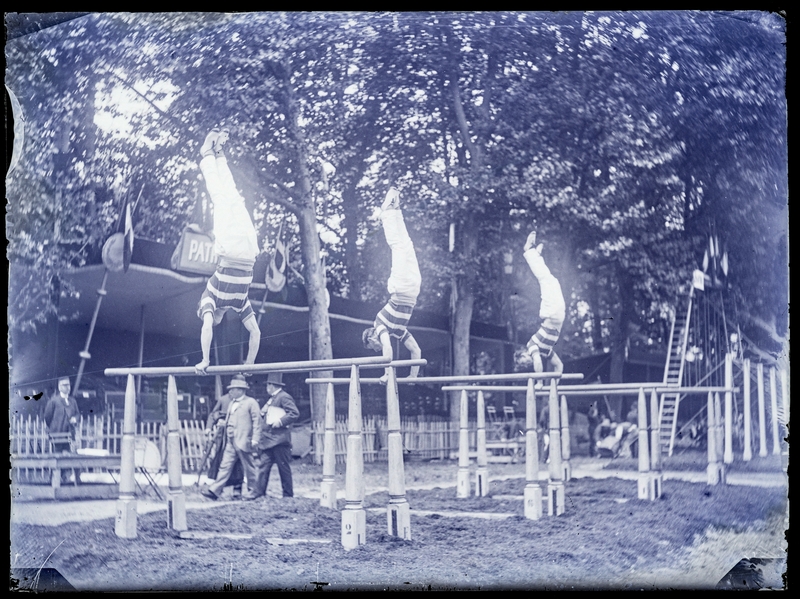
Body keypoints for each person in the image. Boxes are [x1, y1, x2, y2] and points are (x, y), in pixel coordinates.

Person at [195, 127, 261, 374]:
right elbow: (255, 332)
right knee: (234, 197)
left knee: (221, 199)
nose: (210, 318)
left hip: (230, 251)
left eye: (205, 315)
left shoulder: (209, 297)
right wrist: (249, 365)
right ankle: (219, 154)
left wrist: (205, 360)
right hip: (249, 251)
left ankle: (206, 155)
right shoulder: (240, 303)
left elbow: (207, 327)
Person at [361, 188, 422, 378]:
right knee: (406, 245)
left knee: (398, 247)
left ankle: (386, 212)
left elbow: (387, 351)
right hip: (413, 288)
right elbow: (416, 351)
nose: (375, 350)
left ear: (371, 337)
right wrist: (412, 376)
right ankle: (396, 211)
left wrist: (388, 374)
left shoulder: (379, 324)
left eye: (372, 347)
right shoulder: (399, 331)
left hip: (402, 287)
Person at [201, 375, 261, 500]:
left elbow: (257, 422)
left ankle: (254, 491)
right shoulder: (232, 403)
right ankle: (214, 491)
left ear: (240, 390)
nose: (230, 391)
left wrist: (255, 438)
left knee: (249, 467)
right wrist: (225, 423)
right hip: (230, 441)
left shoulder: (251, 403)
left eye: (233, 389)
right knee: (225, 466)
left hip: (244, 440)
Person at [517, 231, 566, 377]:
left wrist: (539, 382)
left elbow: (537, 360)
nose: (527, 360)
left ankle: (529, 251)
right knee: (551, 280)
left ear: (524, 353)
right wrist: (554, 385)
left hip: (551, 314)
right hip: (557, 314)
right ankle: (535, 255)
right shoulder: (546, 351)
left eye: (524, 358)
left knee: (546, 279)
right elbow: (559, 366)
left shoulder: (531, 346)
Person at [249, 372, 300, 500]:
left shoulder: (283, 397)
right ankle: (258, 492)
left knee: (283, 468)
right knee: (263, 466)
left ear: (272, 385)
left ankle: (288, 495)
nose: (267, 387)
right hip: (269, 440)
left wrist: (281, 421)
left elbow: (294, 413)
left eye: (268, 385)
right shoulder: (272, 398)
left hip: (280, 440)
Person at [203, 389, 244, 498]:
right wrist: (210, 426)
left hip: (239, 436)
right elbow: (213, 414)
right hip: (223, 437)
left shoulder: (246, 401)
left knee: (239, 465)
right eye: (231, 389)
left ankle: (237, 490)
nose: (232, 391)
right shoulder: (223, 400)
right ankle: (218, 490)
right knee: (222, 462)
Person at [43, 377, 80, 483]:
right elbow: (47, 417)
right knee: (57, 457)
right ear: (59, 387)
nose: (67, 387)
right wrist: (55, 427)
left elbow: (77, 414)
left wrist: (75, 419)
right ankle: (54, 480)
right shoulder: (54, 401)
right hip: (57, 435)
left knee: (68, 457)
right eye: (64, 385)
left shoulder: (73, 401)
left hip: (69, 435)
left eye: (68, 385)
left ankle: (64, 479)